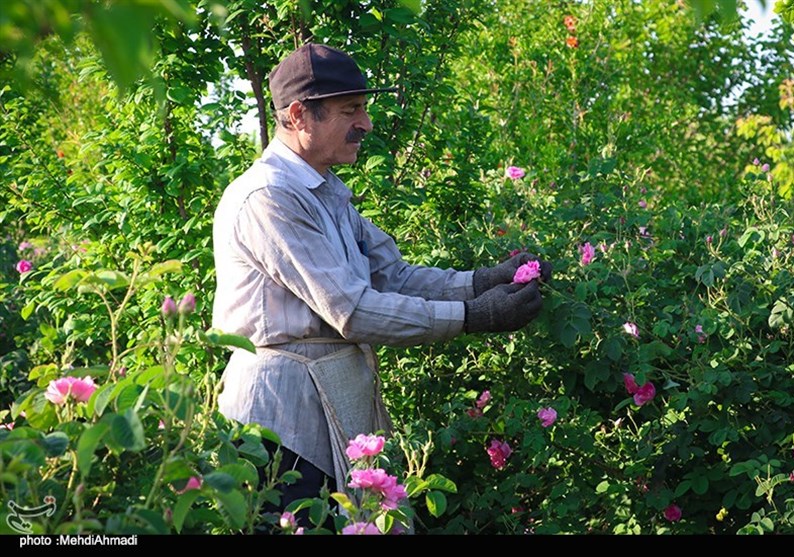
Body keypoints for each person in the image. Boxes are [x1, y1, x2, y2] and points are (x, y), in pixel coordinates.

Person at [211, 42, 552, 532]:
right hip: (279, 424)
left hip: (329, 393)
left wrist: (483, 282)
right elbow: (352, 310)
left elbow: (395, 277)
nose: (366, 123)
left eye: (363, 108)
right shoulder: (269, 198)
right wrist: (477, 317)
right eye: (351, 110)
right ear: (299, 115)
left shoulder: (325, 191)